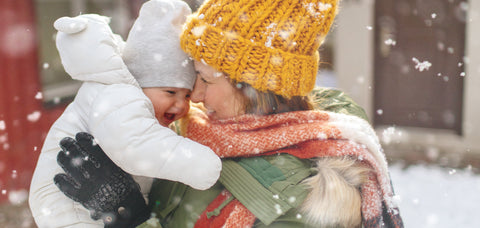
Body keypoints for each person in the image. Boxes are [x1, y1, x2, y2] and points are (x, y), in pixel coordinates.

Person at [54, 0, 405, 227]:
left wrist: (125, 213)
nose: (196, 95)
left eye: (205, 79)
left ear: (256, 86)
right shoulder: (209, 128)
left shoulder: (307, 201)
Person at [28, 1, 222, 227]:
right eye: (170, 92)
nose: (181, 105)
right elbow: (133, 146)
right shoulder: (119, 95)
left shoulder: (130, 101)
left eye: (187, 96)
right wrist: (199, 164)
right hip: (68, 203)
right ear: (141, 83)